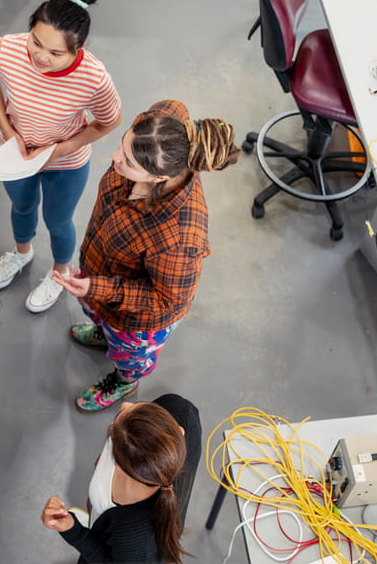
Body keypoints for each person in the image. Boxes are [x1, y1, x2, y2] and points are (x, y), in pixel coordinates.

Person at [54, 101, 240, 411]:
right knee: (97, 313)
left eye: (126, 161)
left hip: (136, 319)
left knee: (128, 355)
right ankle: (102, 329)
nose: (115, 158)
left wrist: (98, 288)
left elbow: (167, 300)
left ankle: (124, 381)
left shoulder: (180, 237)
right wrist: (94, 289)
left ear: (157, 178)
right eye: (121, 146)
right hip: (101, 269)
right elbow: (172, 108)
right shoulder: (162, 127)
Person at [0, 0, 123, 313]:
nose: (40, 57)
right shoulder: (6, 49)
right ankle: (22, 252)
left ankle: (60, 272)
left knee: (58, 222)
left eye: (56, 52)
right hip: (15, 154)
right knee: (22, 207)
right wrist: (7, 129)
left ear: (79, 48)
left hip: (65, 164)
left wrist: (58, 150)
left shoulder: (94, 78)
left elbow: (108, 121)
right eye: (36, 42)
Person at [41, 394, 202, 564]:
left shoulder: (132, 536)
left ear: (116, 463)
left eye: (115, 422)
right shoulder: (173, 408)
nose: (125, 403)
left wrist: (73, 531)